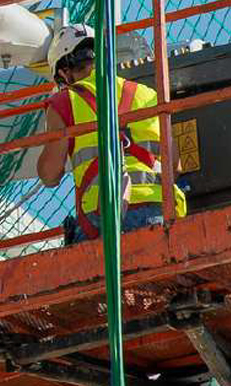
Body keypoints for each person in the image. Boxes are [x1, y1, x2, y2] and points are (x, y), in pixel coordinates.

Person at [36, 23, 186, 245]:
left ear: (64, 72)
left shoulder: (64, 101)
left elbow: (49, 174)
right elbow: (176, 166)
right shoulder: (148, 94)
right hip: (162, 210)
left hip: (106, 216)